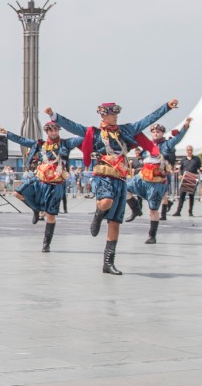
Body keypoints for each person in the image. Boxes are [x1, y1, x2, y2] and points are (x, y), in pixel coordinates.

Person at [51, 100, 177, 274]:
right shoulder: (94, 133)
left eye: (117, 113)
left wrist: (167, 107)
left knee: (115, 223)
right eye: (112, 113)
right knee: (106, 201)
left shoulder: (125, 130)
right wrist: (53, 116)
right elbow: (72, 126)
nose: (116, 116)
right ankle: (97, 214)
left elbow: (147, 120)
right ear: (103, 115)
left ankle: (108, 263)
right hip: (103, 176)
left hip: (120, 178)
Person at [2, 119, 83, 253]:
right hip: (40, 180)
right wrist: (7, 134)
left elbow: (80, 138)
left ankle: (46, 244)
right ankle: (36, 209)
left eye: (56, 129)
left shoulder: (65, 144)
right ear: (46, 131)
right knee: (17, 193)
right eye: (51, 130)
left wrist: (91, 132)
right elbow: (22, 140)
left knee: (51, 216)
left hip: (56, 183)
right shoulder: (40, 145)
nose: (54, 132)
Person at [127, 117, 190, 243]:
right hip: (143, 177)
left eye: (158, 132)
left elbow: (178, 138)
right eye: (154, 132)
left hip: (156, 181)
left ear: (162, 133)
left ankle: (152, 236)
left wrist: (185, 126)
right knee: (124, 187)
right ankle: (135, 209)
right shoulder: (146, 146)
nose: (156, 133)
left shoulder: (167, 144)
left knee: (153, 209)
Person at [172, 146, 202, 216]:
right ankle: (178, 211)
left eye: (191, 150)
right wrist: (180, 175)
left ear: (192, 150)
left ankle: (190, 211)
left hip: (192, 178)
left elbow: (200, 167)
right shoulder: (183, 160)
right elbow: (181, 169)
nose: (189, 151)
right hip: (185, 178)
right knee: (182, 195)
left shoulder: (196, 159)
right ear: (186, 151)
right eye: (188, 150)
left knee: (191, 196)